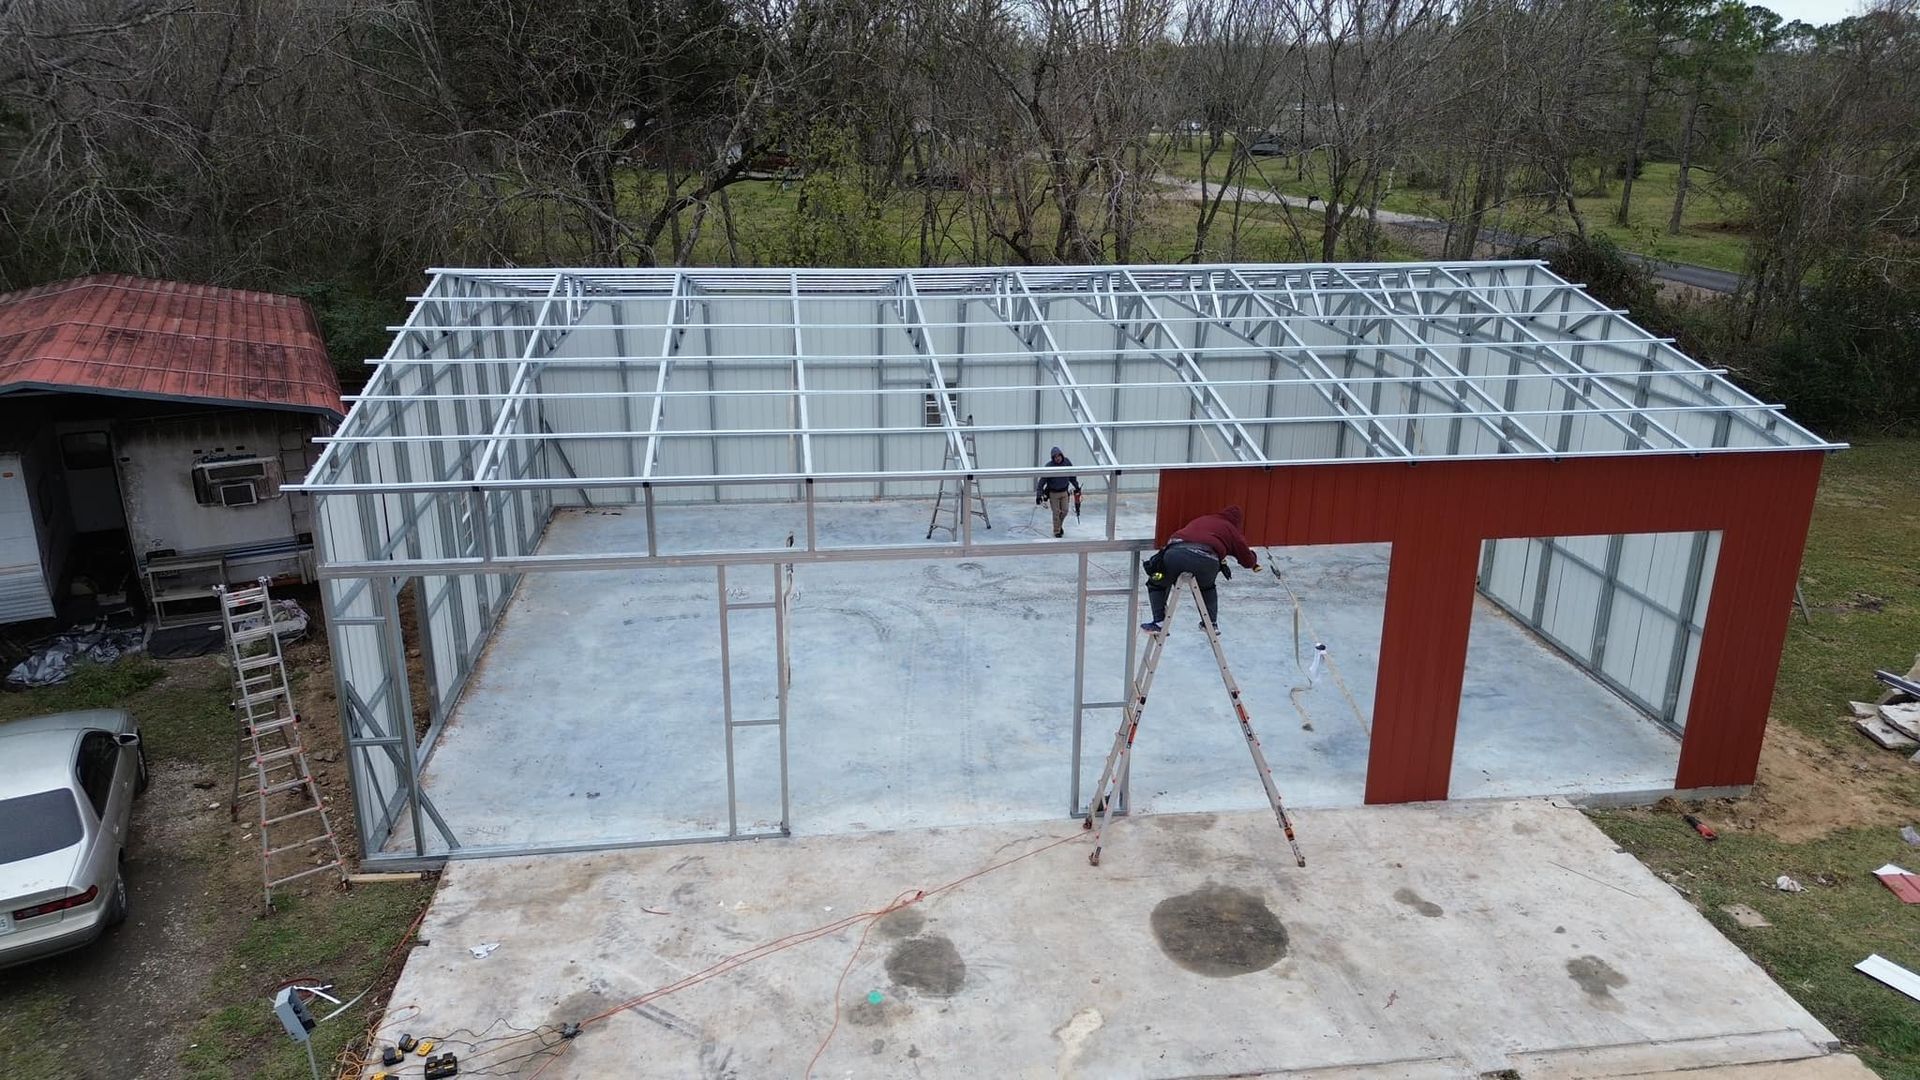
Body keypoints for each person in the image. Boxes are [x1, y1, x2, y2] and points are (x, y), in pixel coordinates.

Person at [1142, 505, 1260, 634]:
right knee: (1206, 588)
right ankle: (1211, 624)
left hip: (1175, 553)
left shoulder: (1203, 519)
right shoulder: (1232, 530)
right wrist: (1253, 557)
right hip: (1206, 560)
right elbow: (1247, 561)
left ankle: (1159, 622)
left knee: (1157, 583)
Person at [1034, 447, 1082, 538]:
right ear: (1052, 458)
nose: (1057, 458)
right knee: (1056, 512)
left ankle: (1059, 526)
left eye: (1059, 456)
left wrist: (1076, 486)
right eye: (1055, 457)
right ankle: (1057, 531)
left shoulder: (1067, 463)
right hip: (1053, 493)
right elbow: (1041, 482)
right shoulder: (1049, 466)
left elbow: (1072, 476)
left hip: (1064, 491)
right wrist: (1039, 495)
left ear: (1061, 455)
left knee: (1064, 511)